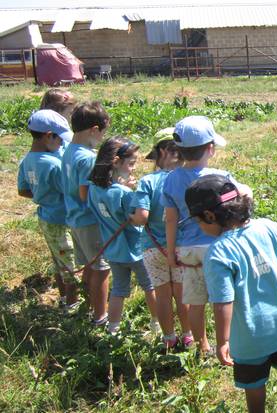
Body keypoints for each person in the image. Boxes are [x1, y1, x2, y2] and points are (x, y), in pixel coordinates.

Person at [185, 174, 277, 413]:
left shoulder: (218, 253)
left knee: (253, 382)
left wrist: (223, 341)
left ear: (210, 216)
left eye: (198, 221)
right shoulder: (267, 227)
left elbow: (223, 301)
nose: (199, 227)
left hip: (249, 339)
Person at [162, 115, 252, 355]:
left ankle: (203, 345)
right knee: (224, 296)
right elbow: (243, 197)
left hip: (188, 249)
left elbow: (170, 219)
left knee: (195, 300)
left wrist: (171, 252)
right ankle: (229, 342)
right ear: (210, 149)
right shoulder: (220, 177)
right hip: (219, 245)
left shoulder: (171, 179)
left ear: (178, 150)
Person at [87, 137, 158, 335]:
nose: (133, 168)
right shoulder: (123, 193)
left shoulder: (93, 188)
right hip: (135, 249)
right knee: (149, 285)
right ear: (116, 162)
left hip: (114, 251)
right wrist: (130, 190)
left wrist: (123, 186)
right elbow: (137, 216)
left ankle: (113, 328)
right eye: (131, 163)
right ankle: (156, 324)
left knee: (118, 289)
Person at [132, 128, 190, 349]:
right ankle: (188, 336)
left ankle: (169, 338)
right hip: (180, 247)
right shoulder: (185, 180)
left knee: (163, 295)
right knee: (182, 294)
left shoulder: (148, 182)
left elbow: (141, 217)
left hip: (152, 248)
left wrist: (130, 216)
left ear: (161, 152)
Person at [18, 110, 79, 310]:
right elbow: (69, 191)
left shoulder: (27, 160)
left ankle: (63, 299)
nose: (62, 144)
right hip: (61, 220)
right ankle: (72, 307)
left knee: (59, 261)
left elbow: (23, 190)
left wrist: (42, 196)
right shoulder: (54, 164)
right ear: (48, 136)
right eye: (60, 139)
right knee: (71, 267)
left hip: (46, 217)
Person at [61, 102, 112, 326]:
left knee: (89, 266)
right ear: (93, 129)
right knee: (102, 269)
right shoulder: (88, 158)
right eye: (102, 133)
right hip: (89, 220)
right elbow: (85, 193)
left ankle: (90, 307)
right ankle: (101, 317)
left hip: (73, 218)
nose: (101, 138)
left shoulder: (68, 150)